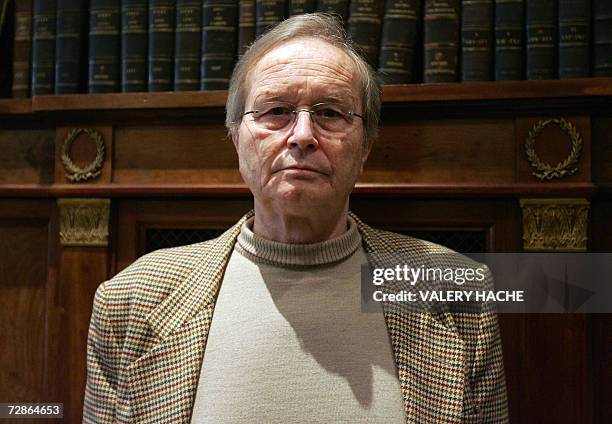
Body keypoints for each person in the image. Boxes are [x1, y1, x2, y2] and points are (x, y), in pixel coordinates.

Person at [83, 13, 508, 424]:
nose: (303, 135)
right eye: (275, 111)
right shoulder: (130, 301)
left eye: (330, 113)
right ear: (237, 141)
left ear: (364, 149)